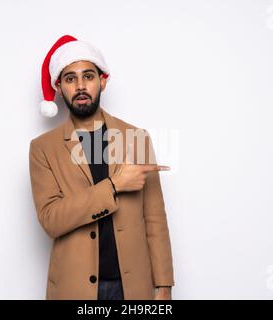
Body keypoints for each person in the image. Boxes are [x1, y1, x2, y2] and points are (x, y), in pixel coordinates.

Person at [29, 35, 174, 300]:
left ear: (103, 81)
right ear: (59, 88)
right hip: (74, 289)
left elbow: (155, 220)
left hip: (133, 288)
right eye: (70, 79)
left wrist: (164, 285)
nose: (80, 86)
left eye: (88, 76)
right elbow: (51, 219)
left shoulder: (136, 138)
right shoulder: (43, 148)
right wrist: (115, 185)